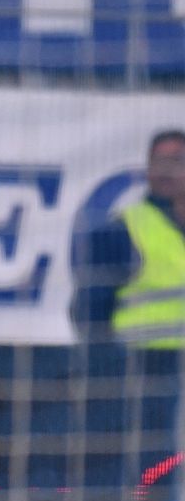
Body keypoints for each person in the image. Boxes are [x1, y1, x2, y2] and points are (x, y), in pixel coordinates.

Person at [71, 129, 185, 349]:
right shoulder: (122, 231)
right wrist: (108, 360)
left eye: (177, 161)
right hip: (143, 363)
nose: (167, 170)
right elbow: (90, 311)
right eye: (159, 161)